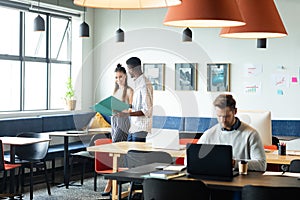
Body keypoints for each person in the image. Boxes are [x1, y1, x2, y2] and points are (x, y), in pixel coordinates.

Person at [198, 94, 266, 200]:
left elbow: (261, 165)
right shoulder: (209, 134)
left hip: (240, 185)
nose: (222, 121)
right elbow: (189, 159)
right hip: (215, 184)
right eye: (219, 116)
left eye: (226, 116)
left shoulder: (251, 134)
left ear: (235, 111)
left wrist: (235, 163)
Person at [101, 63, 133, 197]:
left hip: (123, 122)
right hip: (114, 122)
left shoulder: (130, 91)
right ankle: (115, 182)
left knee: (117, 152)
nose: (118, 79)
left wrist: (122, 110)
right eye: (116, 77)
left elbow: (132, 109)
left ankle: (110, 183)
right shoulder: (114, 91)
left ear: (125, 76)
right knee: (115, 153)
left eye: (120, 77)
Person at [117, 57, 153, 142]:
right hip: (134, 127)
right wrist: (126, 105)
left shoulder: (145, 84)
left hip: (141, 128)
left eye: (128, 69)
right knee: (128, 152)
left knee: (135, 154)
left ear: (132, 69)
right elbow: (138, 105)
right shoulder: (138, 82)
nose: (128, 72)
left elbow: (147, 110)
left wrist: (126, 115)